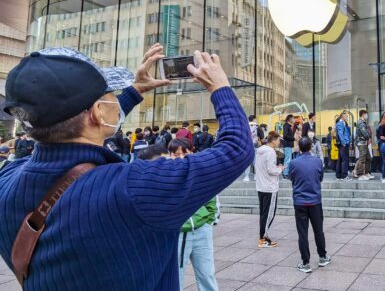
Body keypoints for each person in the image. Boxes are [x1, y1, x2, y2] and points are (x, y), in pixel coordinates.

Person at [0, 45, 254, 289]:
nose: (116, 98)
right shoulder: (134, 188)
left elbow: (79, 121)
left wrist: (134, 91)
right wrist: (220, 87)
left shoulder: (6, 182)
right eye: (111, 92)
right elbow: (235, 150)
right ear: (99, 112)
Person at [165, 140, 219, 291]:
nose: (181, 157)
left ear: (192, 153)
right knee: (177, 276)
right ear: (170, 155)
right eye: (176, 154)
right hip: (179, 232)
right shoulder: (166, 176)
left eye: (185, 153)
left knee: (207, 273)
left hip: (202, 229)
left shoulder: (200, 174)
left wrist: (209, 219)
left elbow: (211, 198)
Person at [289, 137, 331, 273]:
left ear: (299, 148)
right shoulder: (318, 161)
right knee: (318, 230)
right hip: (315, 201)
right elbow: (320, 178)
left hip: (300, 201)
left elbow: (292, 178)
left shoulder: (293, 163)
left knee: (302, 233)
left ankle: (305, 263)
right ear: (311, 146)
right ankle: (323, 257)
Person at [255, 131, 284, 248]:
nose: (279, 143)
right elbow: (271, 170)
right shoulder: (271, 152)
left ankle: (263, 236)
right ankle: (263, 238)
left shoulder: (259, 151)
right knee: (269, 214)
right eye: (278, 140)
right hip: (270, 187)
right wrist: (280, 169)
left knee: (263, 213)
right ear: (273, 140)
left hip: (261, 186)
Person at [355, 110, 372, 180]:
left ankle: (366, 173)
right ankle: (360, 174)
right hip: (361, 143)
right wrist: (368, 136)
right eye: (366, 114)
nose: (367, 116)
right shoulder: (360, 123)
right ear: (363, 115)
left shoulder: (363, 123)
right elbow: (365, 133)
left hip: (364, 143)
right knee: (362, 159)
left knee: (368, 158)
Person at [335, 112, 352, 181]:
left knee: (340, 160)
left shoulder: (343, 123)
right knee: (344, 160)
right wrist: (344, 143)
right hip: (343, 144)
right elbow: (340, 134)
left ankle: (338, 176)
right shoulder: (340, 123)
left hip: (343, 144)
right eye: (346, 116)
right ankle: (344, 176)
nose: (347, 118)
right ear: (342, 117)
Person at [282, 114, 295, 179]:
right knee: (287, 159)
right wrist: (293, 138)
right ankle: (285, 173)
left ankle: (287, 173)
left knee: (288, 159)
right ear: (289, 119)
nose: (294, 120)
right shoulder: (286, 126)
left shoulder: (288, 126)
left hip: (289, 145)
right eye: (293, 118)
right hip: (287, 145)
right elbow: (285, 136)